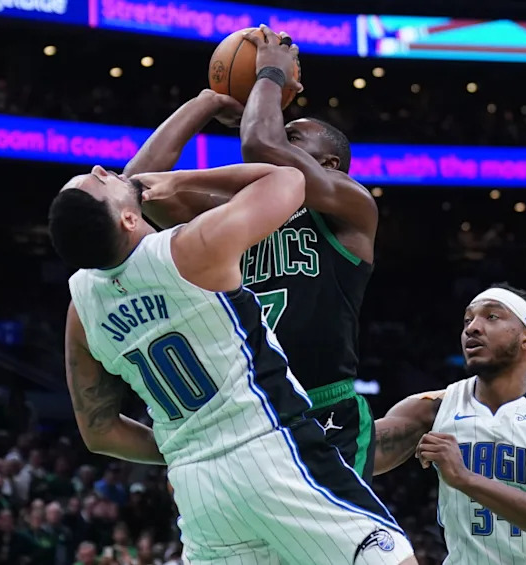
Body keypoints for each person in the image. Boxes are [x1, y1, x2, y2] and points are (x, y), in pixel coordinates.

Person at [48, 160, 414, 565]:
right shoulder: (188, 248)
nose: (100, 168)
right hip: (273, 452)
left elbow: (99, 431)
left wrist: (184, 447)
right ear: (130, 220)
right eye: (96, 182)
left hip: (196, 487)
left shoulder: (80, 310)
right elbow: (290, 179)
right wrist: (181, 180)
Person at [124, 24, 380, 482]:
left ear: (329, 165)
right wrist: (208, 101)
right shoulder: (237, 214)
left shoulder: (352, 205)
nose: (282, 135)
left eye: (296, 138)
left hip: (325, 408)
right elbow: (136, 190)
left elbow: (261, 143)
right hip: (247, 408)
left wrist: (270, 75)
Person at [373, 284, 526, 564]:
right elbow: (353, 453)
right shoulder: (431, 408)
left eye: (492, 317)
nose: (472, 328)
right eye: (468, 320)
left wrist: (466, 478)